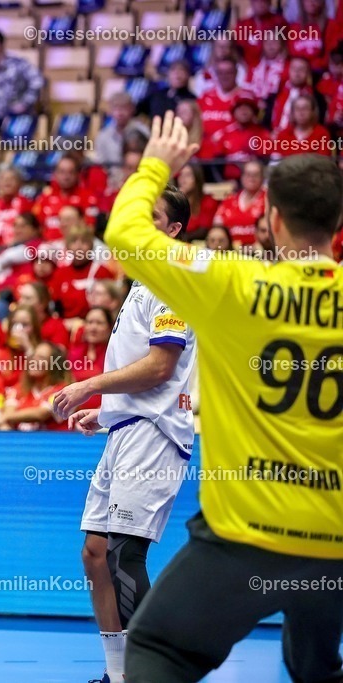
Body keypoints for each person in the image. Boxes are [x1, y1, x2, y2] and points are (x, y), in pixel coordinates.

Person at [101, 114, 343, 683]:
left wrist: (156, 164)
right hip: (335, 538)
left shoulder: (232, 282)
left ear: (272, 219)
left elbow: (125, 236)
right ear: (336, 222)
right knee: (312, 664)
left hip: (245, 536)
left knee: (161, 648)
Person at [52, 183, 197, 683]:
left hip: (155, 436)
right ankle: (119, 676)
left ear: (173, 230)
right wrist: (109, 410)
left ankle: (156, 674)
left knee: (123, 554)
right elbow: (144, 370)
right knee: (95, 554)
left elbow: (160, 367)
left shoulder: (172, 278)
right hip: (127, 428)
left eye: (150, 215)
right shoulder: (143, 280)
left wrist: (89, 387)